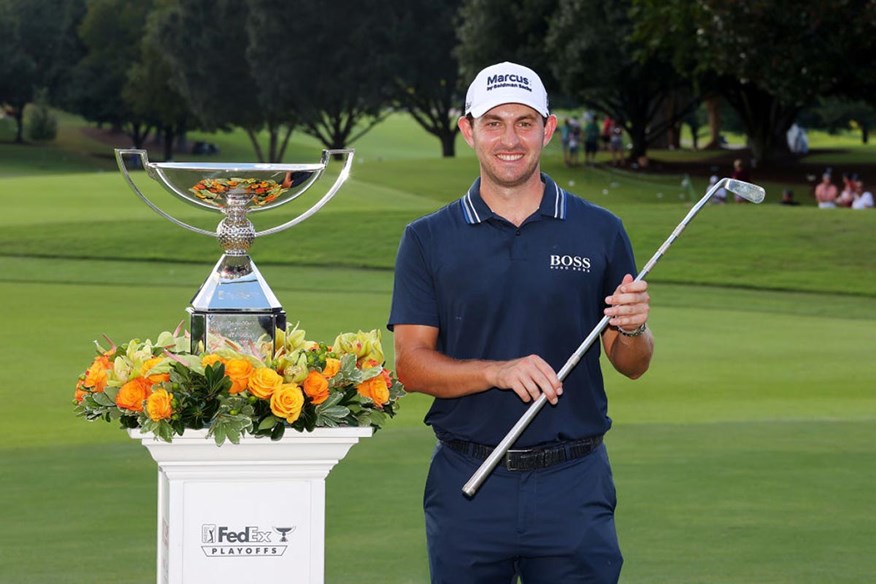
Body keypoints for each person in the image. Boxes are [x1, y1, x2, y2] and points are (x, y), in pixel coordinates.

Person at [388, 61, 654, 584]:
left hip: (573, 483)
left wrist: (632, 329)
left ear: (548, 129)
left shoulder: (600, 230)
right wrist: (496, 372)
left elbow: (633, 365)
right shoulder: (427, 238)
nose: (509, 139)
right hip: (468, 482)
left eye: (525, 122)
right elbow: (411, 368)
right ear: (468, 130)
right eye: (494, 123)